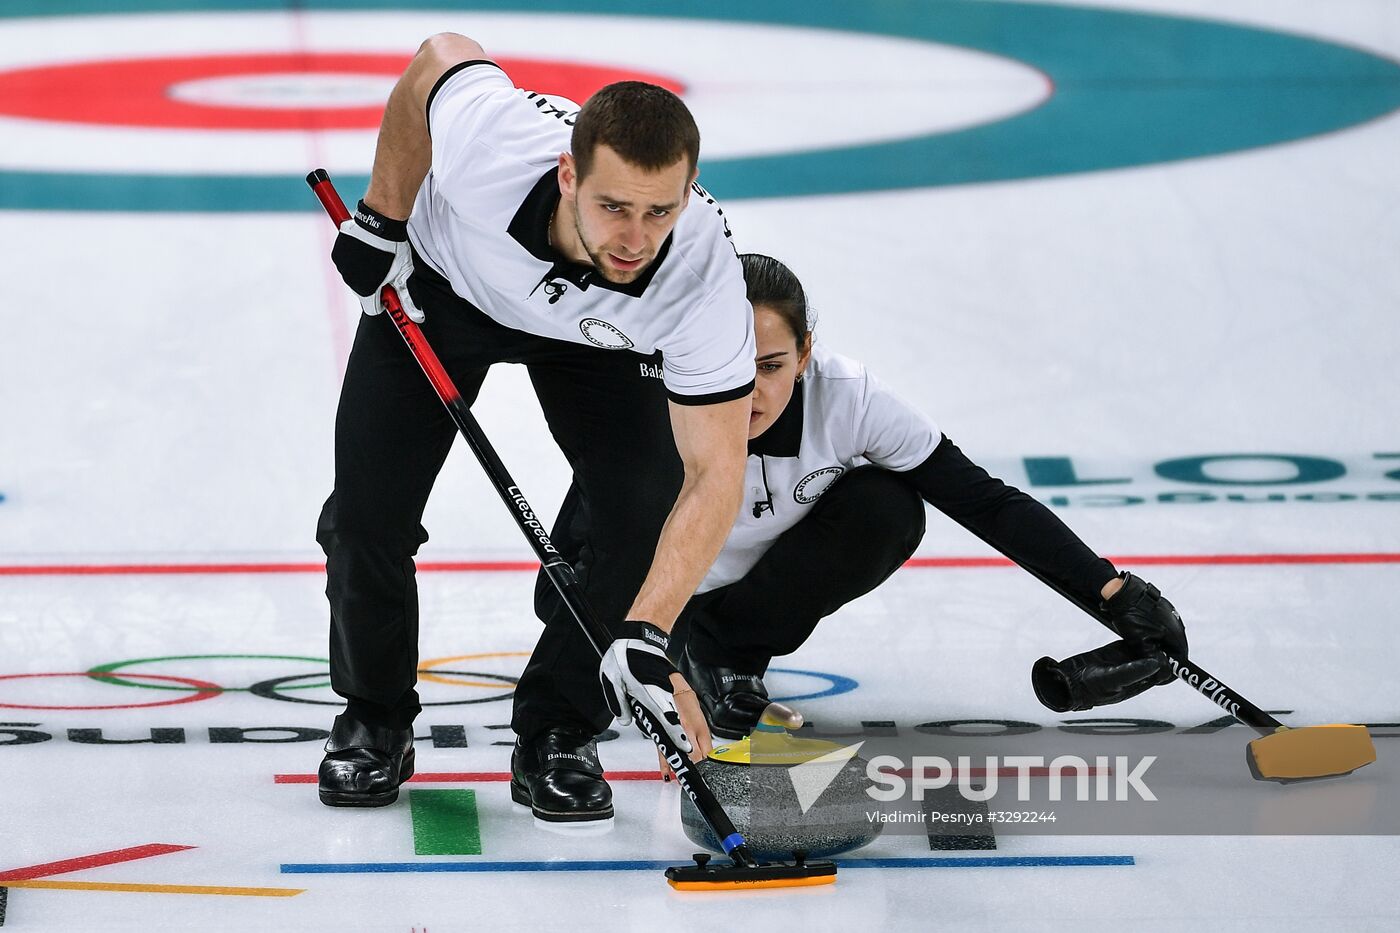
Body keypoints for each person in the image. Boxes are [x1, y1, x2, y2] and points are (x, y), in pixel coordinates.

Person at [316, 33, 755, 823]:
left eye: (660, 210)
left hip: (600, 338)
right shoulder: (497, 147)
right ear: (567, 173)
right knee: (365, 516)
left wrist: (649, 630)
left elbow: (715, 472)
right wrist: (382, 217)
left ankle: (558, 730)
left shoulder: (700, 273)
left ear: (688, 195)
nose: (634, 237)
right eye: (612, 206)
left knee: (639, 513)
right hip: (443, 292)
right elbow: (437, 59)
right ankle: (375, 714)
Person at [670, 254, 1189, 740]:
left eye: (772, 365)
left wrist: (1115, 595)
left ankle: (726, 651)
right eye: (734, 363)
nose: (751, 390)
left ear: (805, 353)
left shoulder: (847, 397)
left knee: (886, 506)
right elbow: (600, 526)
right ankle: (685, 647)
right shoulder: (661, 391)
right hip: (659, 597)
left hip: (741, 605)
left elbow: (982, 501)